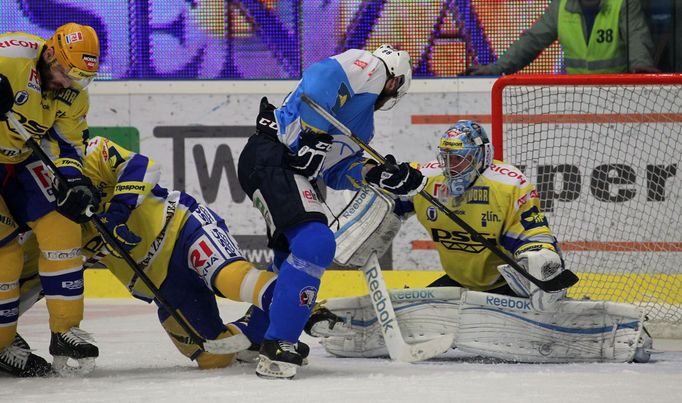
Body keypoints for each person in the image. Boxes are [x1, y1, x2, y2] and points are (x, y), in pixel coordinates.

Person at [306, 121, 651, 363]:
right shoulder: (427, 180)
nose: (452, 167)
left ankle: (583, 319)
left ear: (481, 155)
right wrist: (381, 186)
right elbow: (376, 182)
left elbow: (533, 234)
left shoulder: (509, 185)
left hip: (506, 283)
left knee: (541, 274)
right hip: (457, 281)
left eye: (460, 158)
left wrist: (542, 263)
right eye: (447, 158)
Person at [15, 136, 286, 371]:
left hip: (180, 228)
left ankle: (308, 306)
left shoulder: (89, 153)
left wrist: (118, 211)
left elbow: (144, 167)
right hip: (159, 283)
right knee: (214, 357)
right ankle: (253, 328)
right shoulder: (40, 217)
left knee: (231, 279)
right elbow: (28, 282)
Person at [237, 44, 426, 378]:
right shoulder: (370, 66)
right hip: (272, 157)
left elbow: (336, 171)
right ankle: (278, 343)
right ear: (395, 82)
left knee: (293, 253)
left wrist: (380, 174)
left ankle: (256, 334)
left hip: (279, 167)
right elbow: (319, 79)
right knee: (315, 243)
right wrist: (314, 136)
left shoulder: (363, 125)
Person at [0, 23, 102, 377]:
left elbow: (68, 145)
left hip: (21, 159)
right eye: (64, 72)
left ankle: (65, 330)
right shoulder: (9, 56)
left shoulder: (73, 91)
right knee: (5, 255)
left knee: (63, 222)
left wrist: (75, 182)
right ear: (48, 54)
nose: (68, 83)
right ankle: (1, 343)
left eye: (79, 77)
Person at [466, 0, 659, 75]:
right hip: (575, 93)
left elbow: (637, 36)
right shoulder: (561, 7)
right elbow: (531, 41)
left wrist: (641, 67)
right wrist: (496, 69)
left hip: (618, 92)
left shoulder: (623, 4)